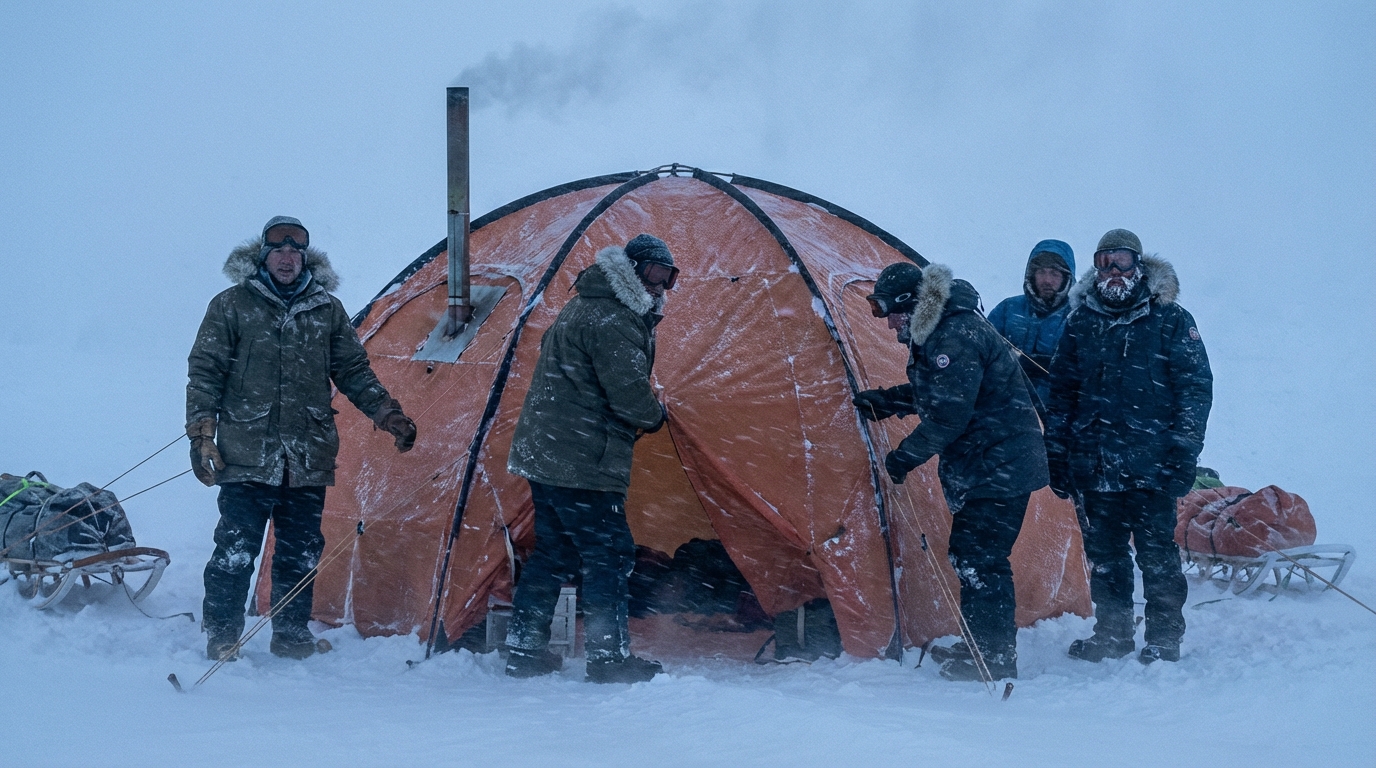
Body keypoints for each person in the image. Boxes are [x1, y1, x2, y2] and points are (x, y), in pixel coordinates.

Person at [187, 216, 416, 661]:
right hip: (246, 454)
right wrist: (201, 433)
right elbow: (205, 371)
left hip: (307, 456)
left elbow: (353, 371)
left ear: (306, 258)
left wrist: (387, 413)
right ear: (262, 256)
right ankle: (222, 636)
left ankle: (291, 636)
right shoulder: (231, 305)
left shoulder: (326, 309)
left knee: (301, 552)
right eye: (279, 250)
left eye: (296, 251)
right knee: (235, 551)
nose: (287, 258)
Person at [853, 261, 1048, 682]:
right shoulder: (943, 329)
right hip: (992, 463)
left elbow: (949, 416)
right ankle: (982, 645)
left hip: (1000, 464)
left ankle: (993, 657)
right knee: (972, 555)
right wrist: (888, 402)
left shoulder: (954, 334)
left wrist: (903, 459)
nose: (887, 323)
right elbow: (942, 392)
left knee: (981, 558)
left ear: (910, 304)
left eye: (888, 311)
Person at [504, 234, 677, 684]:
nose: (660, 286)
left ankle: (524, 649)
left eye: (669, 278)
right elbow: (629, 394)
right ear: (631, 271)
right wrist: (656, 415)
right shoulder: (613, 318)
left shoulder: (586, 304)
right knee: (609, 556)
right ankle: (608, 658)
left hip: (546, 456)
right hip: (582, 461)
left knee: (555, 552)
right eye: (654, 275)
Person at [1045, 229, 1212, 665]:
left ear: (1139, 266)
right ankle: (1113, 634)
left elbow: (1195, 389)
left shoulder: (1171, 319)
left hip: (1152, 464)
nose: (1113, 271)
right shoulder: (1080, 322)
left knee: (1157, 556)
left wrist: (1184, 451)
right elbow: (1061, 393)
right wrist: (1056, 451)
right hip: (1095, 463)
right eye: (1104, 262)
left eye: (1121, 261)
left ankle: (1164, 637)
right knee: (1106, 557)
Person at [987, 239, 1076, 405]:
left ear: (1066, 278)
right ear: (1031, 274)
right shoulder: (1007, 310)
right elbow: (983, 351)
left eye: (1054, 273)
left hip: (1055, 412)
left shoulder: (1076, 318)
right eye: (1041, 272)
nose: (1047, 280)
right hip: (1001, 408)